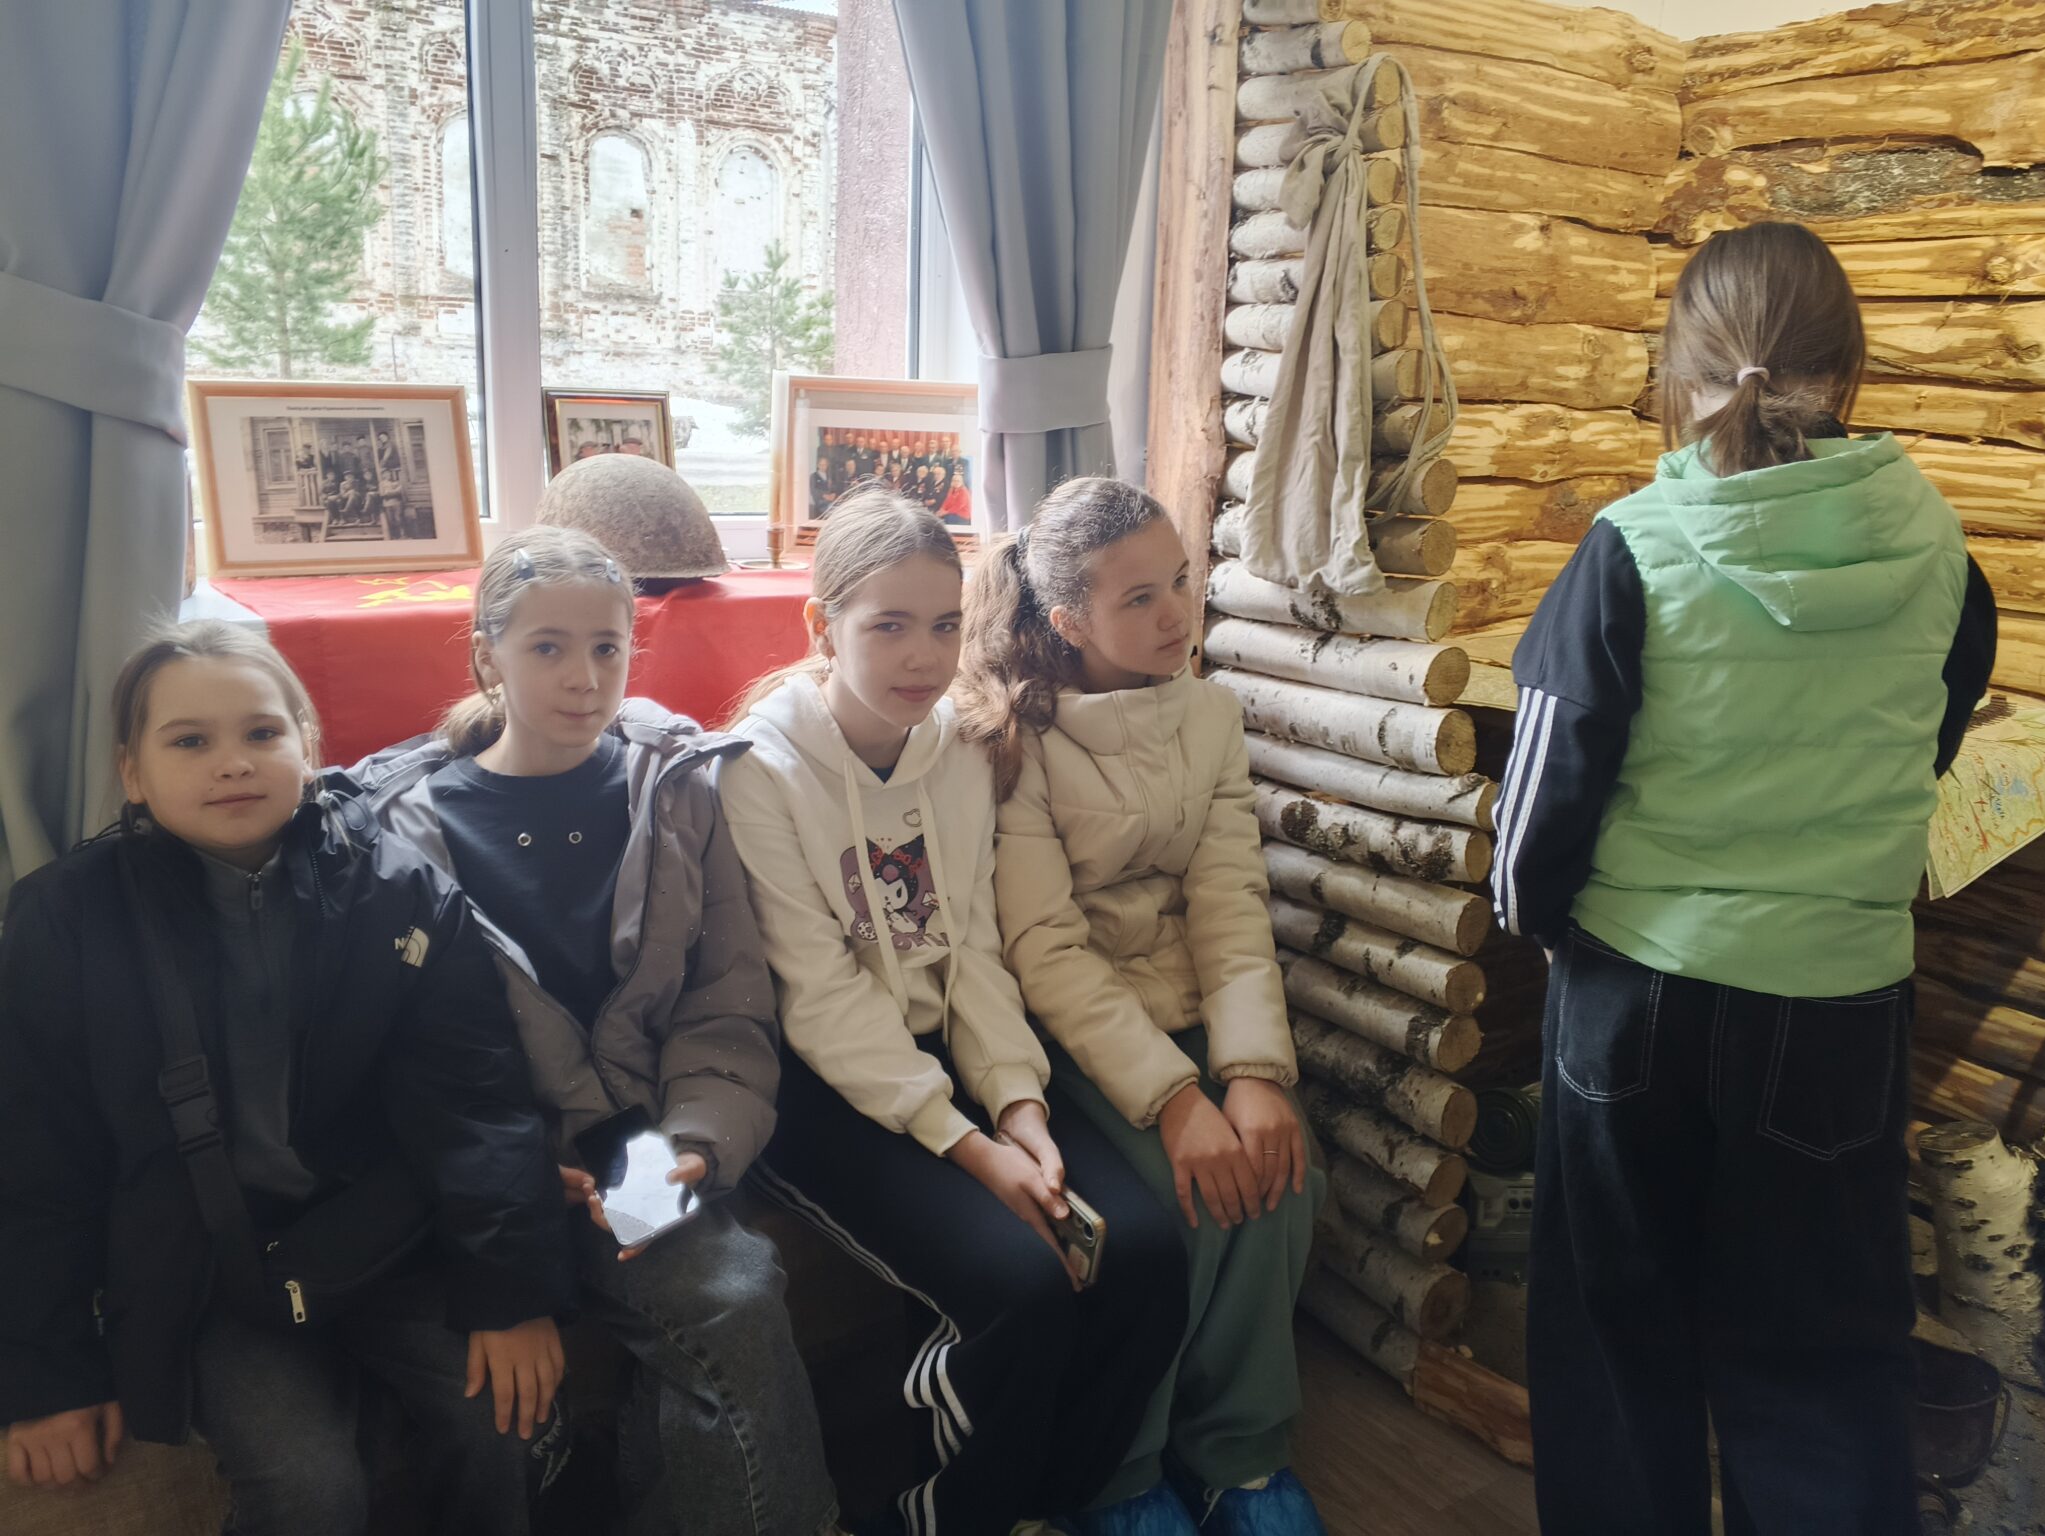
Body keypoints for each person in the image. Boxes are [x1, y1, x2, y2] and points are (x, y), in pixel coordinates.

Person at [1489, 221, 1998, 1536]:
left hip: (1636, 998)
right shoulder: (1942, 554)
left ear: (1678, 367)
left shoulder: (1629, 546)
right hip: (1833, 1010)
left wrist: (1539, 927)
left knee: (1616, 1341)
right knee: (1821, 1367)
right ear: (1851, 369)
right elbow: (1925, 746)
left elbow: (1538, 811)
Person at [0, 621, 574, 1536]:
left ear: (309, 748)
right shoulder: (63, 919)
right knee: (309, 1485)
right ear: (132, 773)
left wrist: (512, 1294)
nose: (232, 762)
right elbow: (34, 1156)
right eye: (190, 741)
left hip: (383, 1242)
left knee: (501, 1423)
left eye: (262, 733)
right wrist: (45, 1376)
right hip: (202, 1273)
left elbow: (475, 1103)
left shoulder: (401, 890)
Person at [341, 527, 838, 1536]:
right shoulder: (399, 833)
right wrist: (519, 1178)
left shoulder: (678, 787)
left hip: (646, 1145)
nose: (585, 677)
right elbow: (412, 1068)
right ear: (486, 655)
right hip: (498, 1172)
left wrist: (693, 1146)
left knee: (733, 1293)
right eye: (548, 647)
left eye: (608, 647)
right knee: (711, 1309)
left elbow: (722, 1004)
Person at [720, 489, 1189, 1535]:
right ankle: (941, 1518)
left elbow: (975, 949)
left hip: (953, 1058)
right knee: (1020, 1286)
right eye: (888, 625)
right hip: (822, 1085)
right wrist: (973, 1151)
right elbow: (822, 1000)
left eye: (942, 625)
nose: (922, 657)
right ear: (821, 625)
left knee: (1146, 1256)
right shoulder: (759, 771)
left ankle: (1045, 1505)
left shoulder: (962, 751)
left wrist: (1020, 1108)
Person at [958, 476, 1328, 1536]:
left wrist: (1250, 1074)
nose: (1176, 614)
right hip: (1078, 1030)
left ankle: (1237, 1454)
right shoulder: (1016, 738)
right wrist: (1175, 1100)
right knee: (1177, 1206)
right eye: (1138, 598)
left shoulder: (1207, 713)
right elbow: (1043, 946)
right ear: (1068, 620)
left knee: (1283, 1175)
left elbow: (1230, 902)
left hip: (1194, 1006)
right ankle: (1121, 1471)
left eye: (1180, 580)